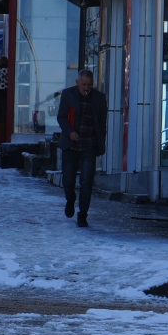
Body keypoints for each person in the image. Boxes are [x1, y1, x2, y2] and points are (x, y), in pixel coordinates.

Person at [56, 68, 109, 226]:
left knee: (87, 182)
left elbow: (101, 124)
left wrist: (101, 143)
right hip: (71, 145)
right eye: (84, 84)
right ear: (77, 83)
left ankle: (83, 215)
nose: (86, 88)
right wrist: (70, 131)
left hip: (89, 146)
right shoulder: (68, 95)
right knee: (68, 180)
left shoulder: (99, 99)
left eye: (89, 85)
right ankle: (70, 199)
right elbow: (61, 117)